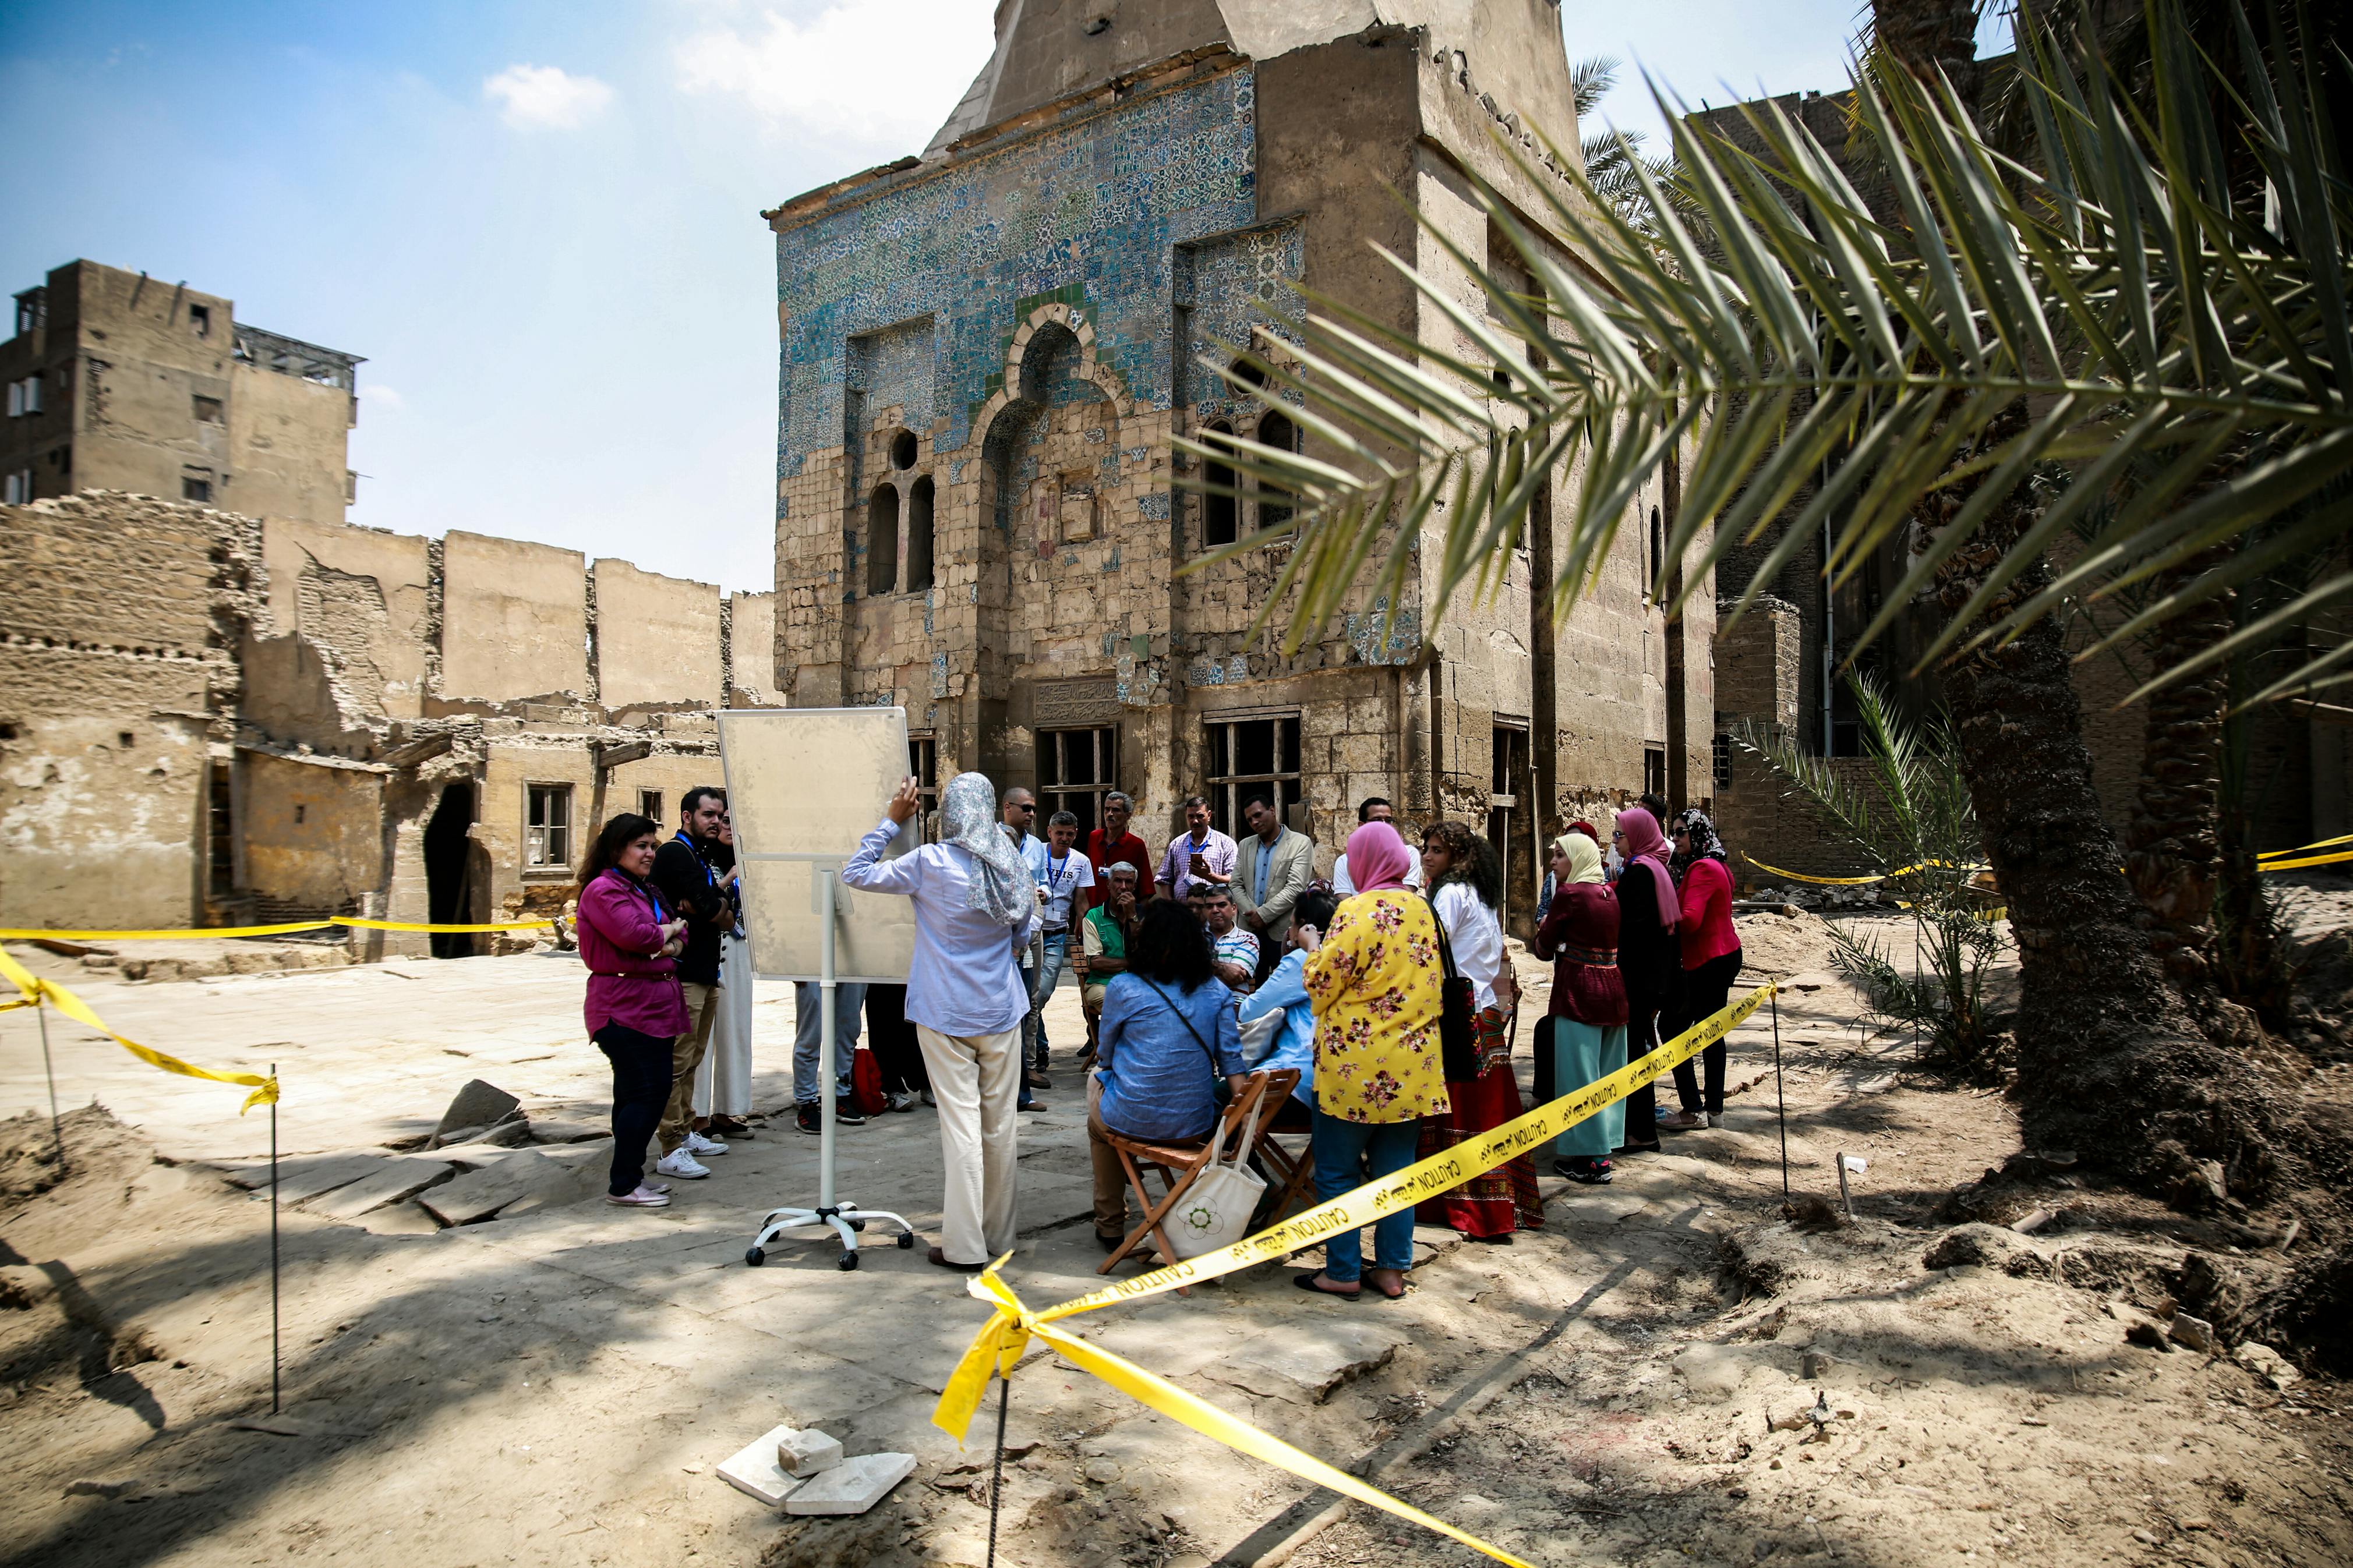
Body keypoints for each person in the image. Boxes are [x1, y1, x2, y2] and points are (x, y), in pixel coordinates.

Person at [842, 771, 1041, 1272]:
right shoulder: (1009, 863)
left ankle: (965, 1247)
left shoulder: (930, 862)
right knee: (1000, 1127)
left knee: (961, 1129)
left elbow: (856, 872)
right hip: (1000, 1010)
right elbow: (1024, 933)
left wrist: (892, 821)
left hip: (945, 1011)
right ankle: (999, 1236)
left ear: (949, 812)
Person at [1296, 819, 1448, 1301]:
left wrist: (1310, 947)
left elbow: (1322, 987)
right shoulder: (1423, 911)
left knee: (1339, 1171)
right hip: (1415, 1067)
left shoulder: (1354, 911)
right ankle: (1390, 1270)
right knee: (1396, 1170)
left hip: (1353, 1069)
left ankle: (1341, 1269)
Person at [1087, 900, 1248, 1251]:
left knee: (1096, 1094)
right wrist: (1243, 1122)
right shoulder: (1217, 992)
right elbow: (1233, 1065)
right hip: (1194, 1125)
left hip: (1131, 1120)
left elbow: (1106, 1055)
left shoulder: (1123, 988)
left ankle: (1110, 1224)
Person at [1413, 820, 1541, 1240]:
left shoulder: (1449, 894)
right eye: (1426, 849)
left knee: (1462, 1113)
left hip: (1460, 1016)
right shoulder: (1480, 895)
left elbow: (1426, 948)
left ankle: (1466, 1206)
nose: (1427, 856)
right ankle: (1496, 1207)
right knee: (1488, 1113)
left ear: (1456, 857)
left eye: (1436, 850)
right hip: (1485, 1016)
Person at [574, 812, 689, 1208]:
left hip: (654, 1005)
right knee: (646, 1093)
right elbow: (638, 936)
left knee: (636, 1093)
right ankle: (623, 1183)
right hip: (623, 1006)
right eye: (641, 846)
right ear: (616, 848)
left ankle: (630, 1176)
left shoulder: (643, 888)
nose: (650, 853)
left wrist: (667, 938)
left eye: (652, 846)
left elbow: (681, 928)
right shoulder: (604, 891)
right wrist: (665, 935)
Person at [650, 787, 737, 1181]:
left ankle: (686, 1130)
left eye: (719, 815)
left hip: (706, 970)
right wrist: (710, 905)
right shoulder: (675, 853)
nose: (715, 822)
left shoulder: (702, 855)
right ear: (687, 816)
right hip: (684, 974)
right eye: (708, 814)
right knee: (676, 1062)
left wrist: (711, 904)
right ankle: (670, 1144)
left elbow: (725, 911)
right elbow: (708, 908)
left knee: (694, 1060)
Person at [1532, 832, 1628, 1184]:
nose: (1554, 862)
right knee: (1608, 1073)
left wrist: (1543, 932)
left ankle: (1590, 1159)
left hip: (1579, 992)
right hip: (1614, 988)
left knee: (1580, 1075)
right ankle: (1604, 1150)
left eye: (1560, 855)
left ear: (1577, 859)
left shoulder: (1570, 894)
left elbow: (1544, 947)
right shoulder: (1610, 893)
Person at [1660, 808, 1743, 1130]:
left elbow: (1691, 920)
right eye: (1674, 832)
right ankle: (1713, 1111)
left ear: (1697, 834)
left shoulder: (1702, 868)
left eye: (1682, 832)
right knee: (1710, 1032)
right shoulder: (1714, 863)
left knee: (1673, 1027)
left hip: (1710, 961)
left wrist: (1662, 922)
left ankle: (1694, 1109)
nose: (1676, 838)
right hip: (1718, 956)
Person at [1611, 806, 1678, 1156]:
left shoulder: (1640, 873)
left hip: (1636, 979)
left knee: (1634, 1054)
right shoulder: (1657, 867)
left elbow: (1628, 928)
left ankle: (1640, 1132)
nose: (1616, 842)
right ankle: (1641, 1128)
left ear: (1636, 836)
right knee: (1640, 1051)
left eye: (1620, 835)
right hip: (1653, 979)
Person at [1235, 888, 1337, 1112]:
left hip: (1292, 1077)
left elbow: (1249, 1011)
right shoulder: (1340, 957)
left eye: (1291, 925)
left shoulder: (1302, 960)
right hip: (1330, 1081)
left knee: (1213, 1097)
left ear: (1304, 926)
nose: (1289, 932)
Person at [692, 805, 755, 1142]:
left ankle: (728, 1109)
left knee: (736, 1029)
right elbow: (699, 899)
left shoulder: (749, 858)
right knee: (704, 1033)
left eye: (734, 820)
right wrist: (729, 877)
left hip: (740, 949)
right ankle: (697, 1116)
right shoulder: (700, 857)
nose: (727, 826)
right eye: (722, 819)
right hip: (708, 947)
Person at [1021, 809, 1094, 1089]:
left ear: (1075, 835)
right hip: (1031, 931)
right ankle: (1039, 1049)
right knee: (1030, 996)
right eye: (1059, 833)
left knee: (1042, 994)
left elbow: (1081, 900)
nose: (1064, 838)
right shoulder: (1035, 852)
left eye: (1069, 834)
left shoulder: (1081, 861)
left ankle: (1037, 1047)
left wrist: (1084, 928)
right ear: (1049, 832)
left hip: (1056, 935)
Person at [1002, 788, 1048, 1110]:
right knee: (1006, 1013)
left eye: (1034, 809)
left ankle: (1024, 1079)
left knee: (1028, 1004)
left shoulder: (1034, 846)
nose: (1032, 814)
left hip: (1027, 937)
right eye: (1026, 808)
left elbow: (1036, 890)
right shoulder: (994, 847)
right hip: (1002, 945)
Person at [1233, 795, 1315, 957]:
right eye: (1250, 820)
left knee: (1285, 981)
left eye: (1258, 815)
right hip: (1249, 931)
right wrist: (1251, 912)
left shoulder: (1300, 843)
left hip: (1283, 931)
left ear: (1272, 811)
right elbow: (1235, 884)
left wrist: (1263, 915)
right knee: (1254, 981)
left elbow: (1296, 887)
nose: (1254, 822)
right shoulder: (1245, 845)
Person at [1076, 861, 1142, 1053]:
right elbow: (1095, 962)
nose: (1123, 887)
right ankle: (1119, 1054)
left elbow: (1145, 951)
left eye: (1128, 882)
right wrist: (1132, 963)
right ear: (1108, 885)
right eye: (1118, 881)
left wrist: (1132, 916)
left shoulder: (1145, 914)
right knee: (1118, 1002)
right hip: (1102, 984)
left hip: (1140, 984)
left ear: (1135, 886)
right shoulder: (1093, 917)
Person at [1154, 794, 1238, 903]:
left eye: (1200, 816)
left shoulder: (1226, 843)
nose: (1195, 821)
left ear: (1209, 815)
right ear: (1186, 816)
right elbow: (1164, 879)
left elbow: (1234, 879)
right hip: (1182, 912)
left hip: (1213, 913)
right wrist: (1172, 908)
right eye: (1191, 817)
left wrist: (1210, 876)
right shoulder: (1176, 844)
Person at [1331, 798, 1424, 894]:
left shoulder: (1409, 854)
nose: (1384, 825)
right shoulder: (1344, 862)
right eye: (1377, 820)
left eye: (1388, 820)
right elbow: (1344, 898)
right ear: (1362, 825)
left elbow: (1405, 895)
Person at [1081, 792, 1150, 922]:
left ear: (1127, 816)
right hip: (1093, 914)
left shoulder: (1136, 845)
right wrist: (1082, 917)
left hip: (1121, 917)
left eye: (1116, 810)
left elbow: (1145, 890)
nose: (1110, 814)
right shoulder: (1094, 837)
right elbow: (1085, 880)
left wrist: (1138, 921)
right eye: (1107, 809)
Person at [863, 983, 928, 1112]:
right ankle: (893, 1090)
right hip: (877, 973)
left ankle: (925, 1084)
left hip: (908, 969)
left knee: (914, 1022)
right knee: (882, 1024)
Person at [1190, 882, 1259, 992]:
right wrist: (1223, 968)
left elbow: (1236, 976)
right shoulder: (1193, 936)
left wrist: (1198, 973)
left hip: (1235, 1004)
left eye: (1222, 905)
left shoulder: (1247, 939)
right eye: (1209, 906)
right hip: (1198, 1006)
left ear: (1234, 908)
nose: (1215, 910)